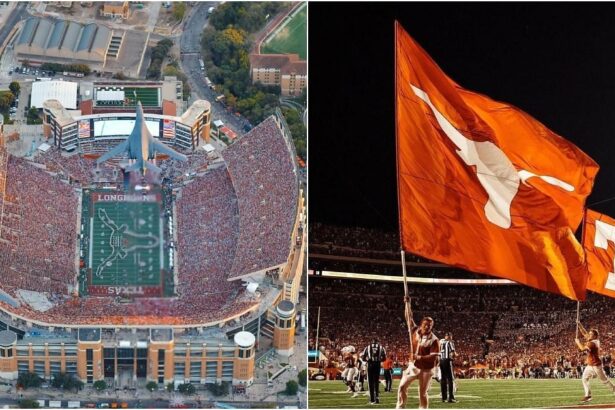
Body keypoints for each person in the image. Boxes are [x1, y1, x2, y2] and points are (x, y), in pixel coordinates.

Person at [397, 303, 440, 409]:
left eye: (430, 325)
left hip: (427, 369)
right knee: (402, 386)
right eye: (425, 324)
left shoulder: (434, 340)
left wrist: (419, 357)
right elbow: (408, 317)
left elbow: (434, 357)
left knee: (422, 393)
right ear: (421, 324)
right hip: (413, 366)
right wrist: (407, 304)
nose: (427, 327)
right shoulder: (414, 331)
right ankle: (400, 407)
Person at [575, 321, 615, 403]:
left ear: (595, 336)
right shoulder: (592, 340)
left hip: (596, 365)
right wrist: (579, 324)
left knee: (605, 381)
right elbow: (584, 333)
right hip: (590, 365)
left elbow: (582, 349)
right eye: (589, 334)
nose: (589, 335)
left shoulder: (593, 343)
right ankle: (588, 395)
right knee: (584, 378)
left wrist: (578, 342)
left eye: (591, 334)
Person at [362, 338, 386, 404]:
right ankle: (377, 398)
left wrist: (368, 360)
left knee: (370, 382)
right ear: (377, 342)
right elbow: (384, 358)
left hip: (370, 365)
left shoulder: (367, 347)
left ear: (372, 342)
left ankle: (372, 399)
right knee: (376, 381)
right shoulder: (381, 347)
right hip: (377, 365)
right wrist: (379, 360)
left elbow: (363, 358)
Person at [439, 332, 457, 403]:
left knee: (443, 379)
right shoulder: (450, 342)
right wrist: (453, 357)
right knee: (450, 379)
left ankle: (444, 398)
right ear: (449, 336)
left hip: (441, 361)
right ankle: (451, 398)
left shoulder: (441, 342)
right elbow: (452, 353)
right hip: (447, 360)